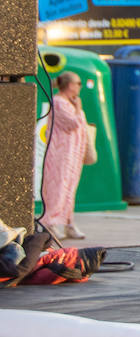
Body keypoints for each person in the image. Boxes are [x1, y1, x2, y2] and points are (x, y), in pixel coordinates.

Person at [40, 71, 89, 240]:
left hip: (72, 153)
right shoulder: (60, 102)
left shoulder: (69, 102)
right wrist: (78, 108)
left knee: (69, 189)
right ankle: (50, 223)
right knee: (58, 188)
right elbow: (73, 123)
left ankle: (69, 223)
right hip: (61, 153)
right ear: (69, 85)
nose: (79, 86)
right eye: (78, 83)